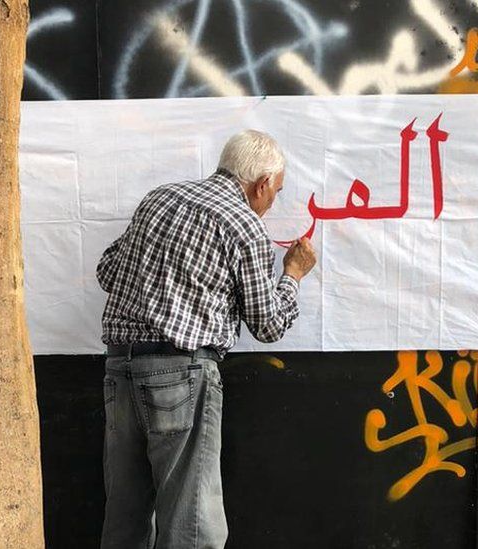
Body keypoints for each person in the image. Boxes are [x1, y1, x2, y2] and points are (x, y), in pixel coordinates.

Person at [96, 129, 317, 549]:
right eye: (277, 192)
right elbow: (267, 326)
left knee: (125, 516)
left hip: (119, 369)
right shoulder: (243, 225)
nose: (273, 203)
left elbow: (108, 272)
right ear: (262, 183)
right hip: (182, 375)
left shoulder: (158, 200)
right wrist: (292, 275)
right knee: (191, 524)